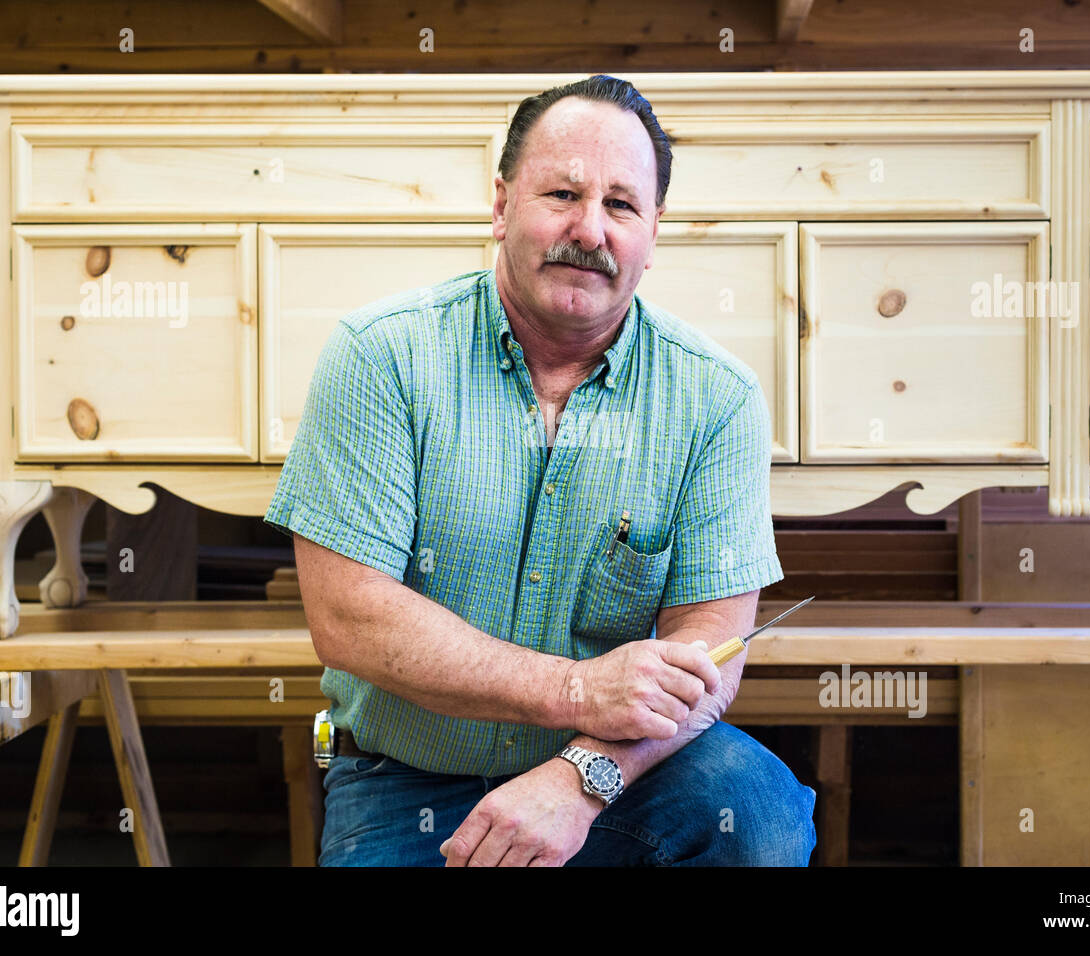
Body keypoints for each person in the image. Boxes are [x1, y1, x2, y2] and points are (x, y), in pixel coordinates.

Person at [264, 74, 817, 867]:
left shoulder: (716, 398)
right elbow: (348, 616)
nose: (589, 230)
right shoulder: (382, 357)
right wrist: (579, 690)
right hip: (405, 783)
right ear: (501, 207)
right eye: (562, 193)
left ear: (653, 234)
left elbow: (710, 656)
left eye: (622, 206)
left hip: (619, 777)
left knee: (754, 812)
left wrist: (580, 776)